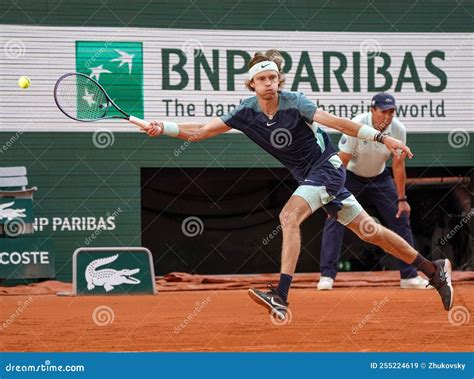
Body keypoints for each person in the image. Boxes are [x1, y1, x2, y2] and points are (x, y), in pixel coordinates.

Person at [142, 50, 453, 321]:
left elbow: (337, 123)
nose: (268, 83)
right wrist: (163, 127)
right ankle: (432, 269)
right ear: (252, 83)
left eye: (272, 78)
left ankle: (280, 294)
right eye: (262, 79)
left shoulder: (295, 103)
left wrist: (382, 137)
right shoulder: (245, 111)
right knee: (371, 232)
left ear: (279, 81)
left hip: (327, 168)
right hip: (310, 178)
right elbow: (200, 130)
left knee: (288, 216)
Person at [317, 93, 430, 291]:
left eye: (391, 112)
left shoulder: (398, 129)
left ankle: (409, 276)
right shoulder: (357, 125)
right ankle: (327, 276)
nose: (387, 117)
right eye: (383, 112)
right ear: (372, 110)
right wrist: (332, 195)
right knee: (334, 217)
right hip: (350, 177)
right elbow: (341, 161)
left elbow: (397, 165)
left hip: (380, 178)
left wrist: (402, 199)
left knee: (400, 217)